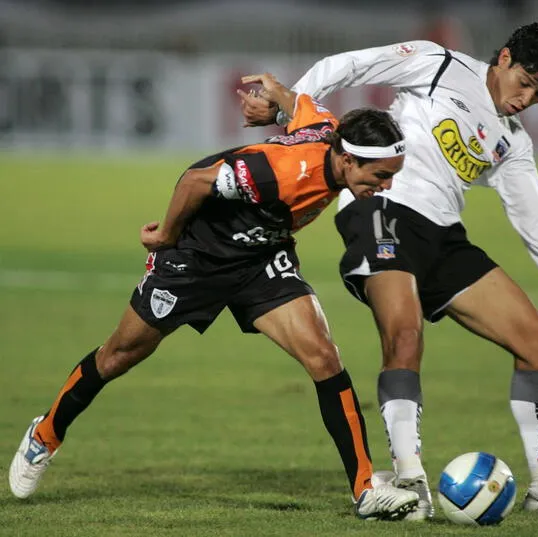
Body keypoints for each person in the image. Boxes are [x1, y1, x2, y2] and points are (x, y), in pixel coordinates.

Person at [239, 20, 538, 520]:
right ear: (503, 59)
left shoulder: (512, 141)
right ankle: (408, 480)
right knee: (404, 333)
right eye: (526, 82)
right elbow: (348, 65)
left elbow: (535, 216)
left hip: (443, 235)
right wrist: (292, 106)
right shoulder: (438, 63)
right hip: (381, 210)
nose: (527, 98)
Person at [9, 73, 420, 520]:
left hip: (262, 257)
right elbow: (196, 182)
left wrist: (271, 102)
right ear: (346, 160)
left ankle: (364, 490)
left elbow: (297, 101)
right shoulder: (280, 174)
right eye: (380, 176)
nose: (386, 186)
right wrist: (167, 235)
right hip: (198, 255)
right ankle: (45, 434)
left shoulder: (327, 127)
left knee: (324, 357)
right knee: (118, 355)